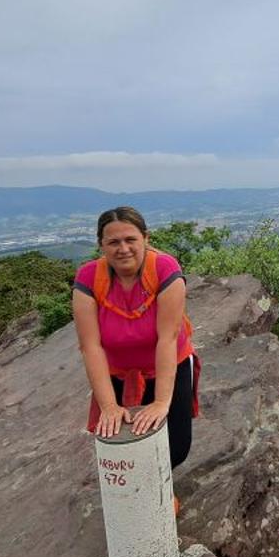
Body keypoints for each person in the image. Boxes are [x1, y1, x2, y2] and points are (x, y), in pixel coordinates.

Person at [71, 207, 198, 484]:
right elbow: (90, 346)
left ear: (145, 238)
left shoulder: (164, 269)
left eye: (131, 239)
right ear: (101, 245)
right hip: (117, 371)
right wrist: (108, 406)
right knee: (119, 440)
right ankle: (138, 496)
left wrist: (161, 402)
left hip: (167, 364)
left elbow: (167, 338)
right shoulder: (89, 278)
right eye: (113, 242)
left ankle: (161, 493)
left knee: (175, 448)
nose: (123, 248)